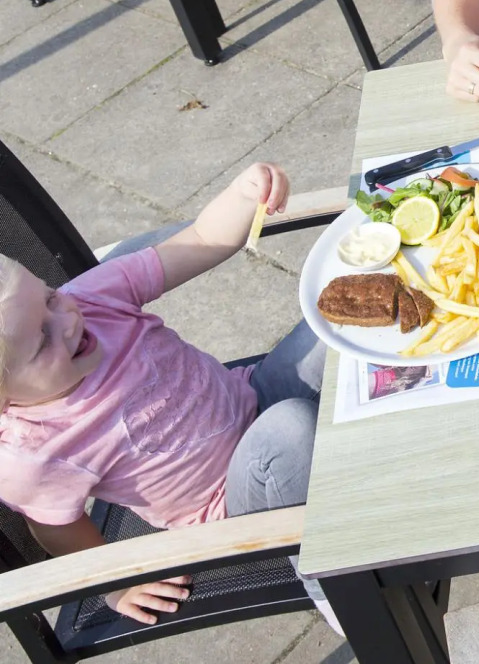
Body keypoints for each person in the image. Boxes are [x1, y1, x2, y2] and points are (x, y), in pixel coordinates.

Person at [0, 163, 325, 625]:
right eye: (42, 341)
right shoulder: (29, 454)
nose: (68, 320)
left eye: (49, 297)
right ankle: (345, 592)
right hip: (230, 506)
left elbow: (197, 242)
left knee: (339, 316)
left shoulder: (91, 298)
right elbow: (55, 527)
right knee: (292, 428)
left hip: (253, 397)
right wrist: (117, 584)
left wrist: (242, 193)